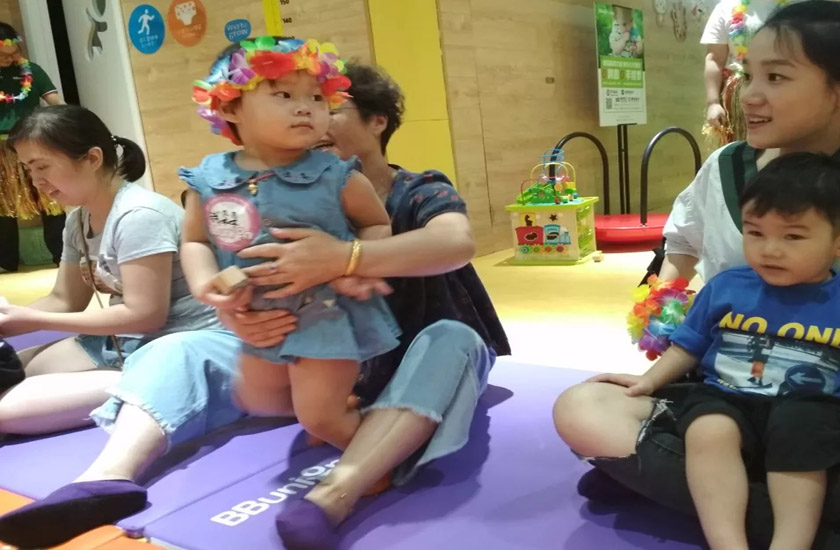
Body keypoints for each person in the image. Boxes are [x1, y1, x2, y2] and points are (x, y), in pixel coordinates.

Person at [0, 63, 509, 550]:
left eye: (325, 103)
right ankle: (107, 478)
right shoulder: (250, 188)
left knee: (452, 338)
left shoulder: (416, 190)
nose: (306, 112)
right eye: (284, 98)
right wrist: (229, 305)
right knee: (180, 347)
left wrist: (345, 257)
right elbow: (217, 255)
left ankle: (336, 493)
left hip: (403, 349)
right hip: (307, 349)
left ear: (377, 122)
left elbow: (455, 243)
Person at [554, 2, 840, 549]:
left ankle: (675, 482)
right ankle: (829, 533)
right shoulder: (724, 165)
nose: (748, 95)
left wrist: (809, 308)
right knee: (582, 408)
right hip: (724, 394)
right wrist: (667, 317)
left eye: (776, 77)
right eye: (747, 74)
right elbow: (680, 250)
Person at [612, 152, 840, 550]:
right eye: (755, 233)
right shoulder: (726, 287)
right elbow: (688, 346)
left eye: (792, 237)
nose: (769, 250)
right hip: (727, 397)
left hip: (814, 409)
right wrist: (647, 382)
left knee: (801, 425)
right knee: (707, 428)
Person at [181, 37, 400, 451]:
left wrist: (358, 265)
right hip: (257, 315)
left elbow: (376, 223)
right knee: (258, 399)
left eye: (316, 98)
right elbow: (194, 240)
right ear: (229, 107)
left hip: (326, 313)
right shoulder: (209, 179)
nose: (305, 108)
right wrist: (204, 282)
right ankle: (341, 409)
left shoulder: (336, 175)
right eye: (283, 95)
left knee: (318, 417)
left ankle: (379, 454)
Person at [0, 105, 217, 437]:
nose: (36, 181)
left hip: (173, 347)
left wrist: (32, 320)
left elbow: (146, 316)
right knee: (14, 375)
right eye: (29, 169)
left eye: (42, 166)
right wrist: (9, 319)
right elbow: (64, 299)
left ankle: (171, 386)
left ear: (92, 158)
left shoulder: (140, 215)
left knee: (5, 411)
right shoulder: (78, 220)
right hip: (123, 341)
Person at [0, 22, 65, 272]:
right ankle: (6, 263)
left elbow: (54, 101)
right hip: (1, 150)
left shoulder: (32, 70)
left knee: (51, 200)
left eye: (14, 53)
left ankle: (63, 257)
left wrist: (71, 123)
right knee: (4, 207)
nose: (11, 59)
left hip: (33, 145)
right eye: (3, 55)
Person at [701, 0, 787, 145]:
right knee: (743, 146)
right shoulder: (726, 7)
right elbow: (715, 59)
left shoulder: (798, 5)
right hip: (740, 92)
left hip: (784, 87)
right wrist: (713, 103)